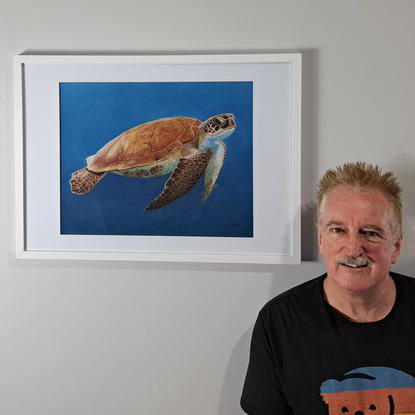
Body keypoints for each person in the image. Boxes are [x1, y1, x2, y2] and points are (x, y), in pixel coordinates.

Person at [240, 162, 415, 415]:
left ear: (396, 247)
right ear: (322, 240)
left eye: (370, 233)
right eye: (338, 230)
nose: (354, 248)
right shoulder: (279, 322)